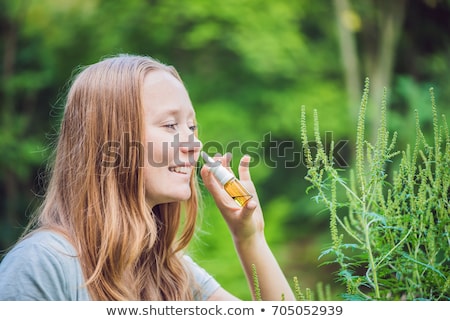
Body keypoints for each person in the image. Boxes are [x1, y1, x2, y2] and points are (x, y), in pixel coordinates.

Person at [0, 54, 295, 301]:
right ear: (112, 141)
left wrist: (249, 238)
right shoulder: (41, 265)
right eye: (170, 125)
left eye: (191, 127)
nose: (194, 144)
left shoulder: (172, 275)